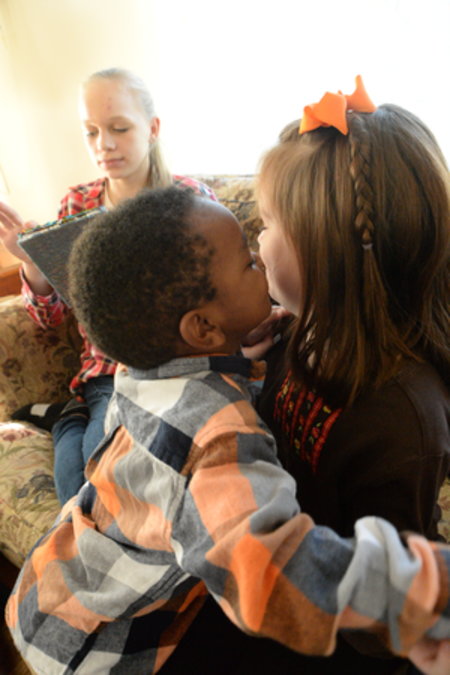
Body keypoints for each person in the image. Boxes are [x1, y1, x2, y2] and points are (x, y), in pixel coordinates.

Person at [5, 187, 450, 675]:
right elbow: (270, 573)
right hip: (99, 644)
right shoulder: (216, 438)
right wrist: (424, 591)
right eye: (248, 263)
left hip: (51, 584)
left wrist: (232, 358)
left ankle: (61, 416)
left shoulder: (141, 370)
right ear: (202, 328)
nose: (259, 254)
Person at [244, 76, 449, 672]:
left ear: (323, 251)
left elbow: (393, 605)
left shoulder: (399, 418)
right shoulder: (303, 329)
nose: (256, 241)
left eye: (266, 223)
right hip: (290, 561)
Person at [0, 67, 216, 505]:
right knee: (82, 486)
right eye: (91, 132)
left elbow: (220, 295)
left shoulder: (191, 200)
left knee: (106, 484)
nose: (104, 144)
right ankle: (69, 416)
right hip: (106, 375)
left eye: (119, 128)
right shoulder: (77, 203)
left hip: (174, 368)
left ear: (152, 128)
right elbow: (50, 318)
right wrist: (33, 262)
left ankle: (66, 417)